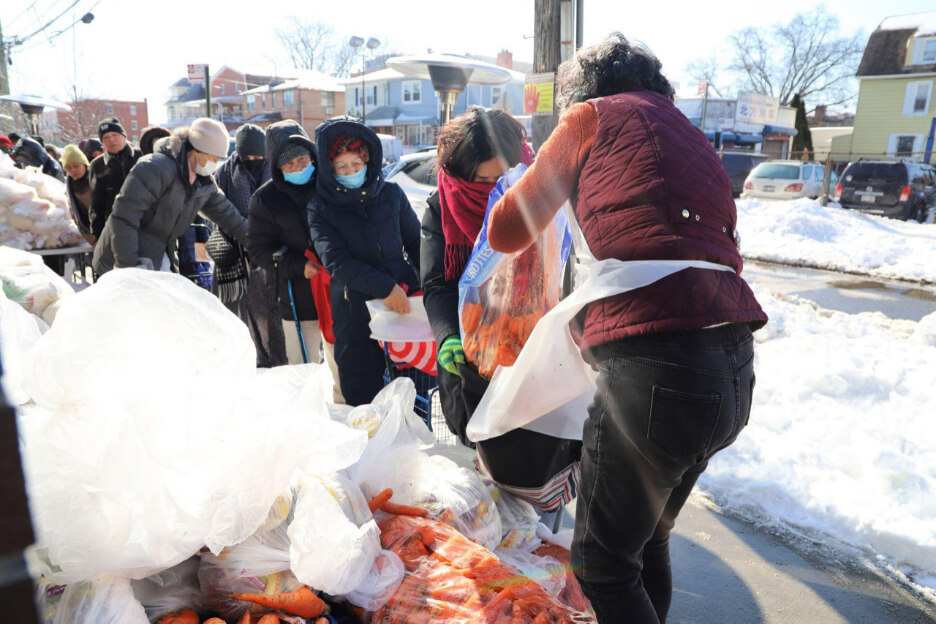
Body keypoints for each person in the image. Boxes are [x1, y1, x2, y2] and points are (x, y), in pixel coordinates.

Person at [486, 34, 768, 624]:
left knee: (602, 564)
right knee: (649, 540)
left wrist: (544, 162)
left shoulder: (590, 117)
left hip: (657, 368)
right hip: (732, 366)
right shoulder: (690, 136)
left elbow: (508, 230)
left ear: (579, 93)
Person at [420, 107, 530, 444]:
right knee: (478, 456)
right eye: (483, 182)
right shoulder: (442, 206)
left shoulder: (536, 194)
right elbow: (437, 283)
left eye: (503, 178)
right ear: (461, 173)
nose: (495, 190)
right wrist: (448, 335)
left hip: (528, 351)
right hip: (470, 357)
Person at [309, 119, 420, 406]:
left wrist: (424, 284)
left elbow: (418, 243)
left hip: (403, 304)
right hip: (354, 310)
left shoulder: (392, 194)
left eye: (356, 164)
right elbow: (337, 262)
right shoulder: (320, 207)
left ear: (367, 160)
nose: (351, 172)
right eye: (342, 167)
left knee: (410, 392)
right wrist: (385, 287)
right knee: (363, 398)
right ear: (330, 169)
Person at [92, 118, 247, 275]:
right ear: (196, 152)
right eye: (212, 158)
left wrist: (261, 244)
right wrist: (128, 270)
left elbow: (231, 219)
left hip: (156, 257)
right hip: (118, 260)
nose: (214, 163)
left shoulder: (203, 183)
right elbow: (124, 219)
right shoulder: (154, 169)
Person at [246, 120, 336, 386]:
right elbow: (258, 249)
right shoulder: (265, 199)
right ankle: (308, 418)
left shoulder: (328, 186)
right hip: (297, 293)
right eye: (289, 164)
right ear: (277, 167)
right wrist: (297, 266)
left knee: (341, 362)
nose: (298, 168)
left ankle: (347, 414)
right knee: (302, 370)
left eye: (302, 160)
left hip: (336, 290)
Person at [89, 117, 142, 242]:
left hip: (145, 223)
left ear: (124, 136)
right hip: (116, 226)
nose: (111, 140)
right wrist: (97, 233)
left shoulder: (142, 157)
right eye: (105, 137)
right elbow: (96, 201)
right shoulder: (97, 165)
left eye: (114, 135)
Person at [60, 144, 95, 244]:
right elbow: (76, 215)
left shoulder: (97, 181)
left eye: (76, 166)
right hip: (89, 234)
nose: (73, 170)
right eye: (69, 168)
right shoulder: (70, 187)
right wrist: (91, 239)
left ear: (84, 164)